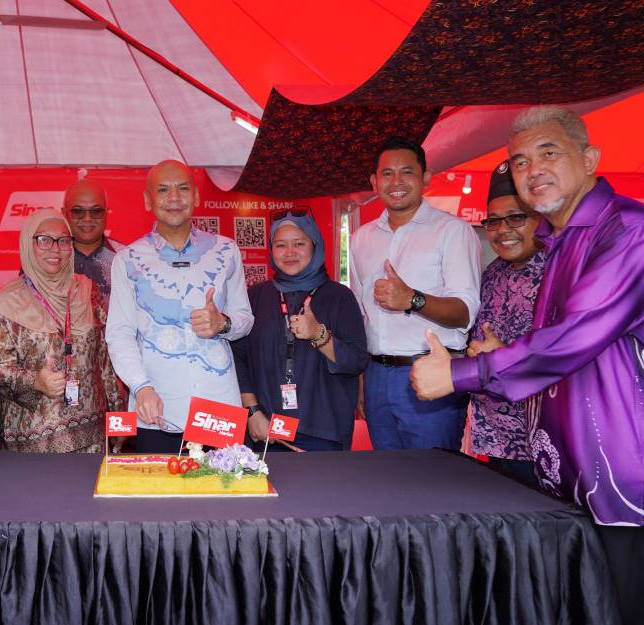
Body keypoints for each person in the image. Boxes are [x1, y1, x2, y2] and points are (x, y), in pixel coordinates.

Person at [411, 106, 642, 625]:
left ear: (589, 159)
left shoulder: (628, 230)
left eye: (548, 153)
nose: (531, 169)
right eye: (518, 161)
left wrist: (462, 374)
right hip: (567, 478)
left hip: (624, 486)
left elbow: (573, 338)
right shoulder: (561, 244)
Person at [106, 160, 254, 453]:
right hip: (157, 406)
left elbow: (245, 319)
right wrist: (141, 387)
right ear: (148, 200)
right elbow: (119, 334)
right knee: (159, 497)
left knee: (225, 494)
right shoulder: (128, 259)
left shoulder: (226, 251)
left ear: (196, 197)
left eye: (183, 188)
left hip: (218, 405)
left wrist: (222, 323)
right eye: (163, 190)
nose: (174, 197)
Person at [348, 136, 481, 451]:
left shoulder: (452, 231)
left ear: (425, 178)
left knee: (434, 483)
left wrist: (412, 299)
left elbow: (465, 311)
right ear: (374, 181)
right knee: (389, 482)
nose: (396, 181)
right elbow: (362, 314)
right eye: (387, 173)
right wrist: (363, 382)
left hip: (432, 371)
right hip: (377, 375)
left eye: (407, 172)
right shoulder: (361, 239)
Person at [0, 209, 122, 453]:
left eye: (63, 241)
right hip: (33, 440)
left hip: (93, 435)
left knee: (89, 490)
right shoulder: (7, 303)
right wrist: (34, 381)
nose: (55, 249)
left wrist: (119, 422)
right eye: (44, 240)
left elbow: (106, 361)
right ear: (28, 244)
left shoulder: (88, 291)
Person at [233, 211, 368, 451]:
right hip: (266, 430)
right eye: (281, 245)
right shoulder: (255, 297)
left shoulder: (339, 297)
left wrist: (319, 335)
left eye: (299, 243)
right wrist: (252, 412)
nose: (290, 252)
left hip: (324, 432)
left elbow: (356, 361)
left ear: (314, 245)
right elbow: (238, 359)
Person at [467, 161, 545, 486]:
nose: (503, 230)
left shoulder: (565, 272)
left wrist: (506, 356)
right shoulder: (492, 273)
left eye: (516, 217)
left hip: (544, 444)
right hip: (496, 439)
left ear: (540, 218)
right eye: (494, 221)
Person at [62, 178, 124, 307]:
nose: (87, 219)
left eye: (96, 211)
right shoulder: (47, 258)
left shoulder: (126, 258)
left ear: (106, 213)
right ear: (64, 214)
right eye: (78, 211)